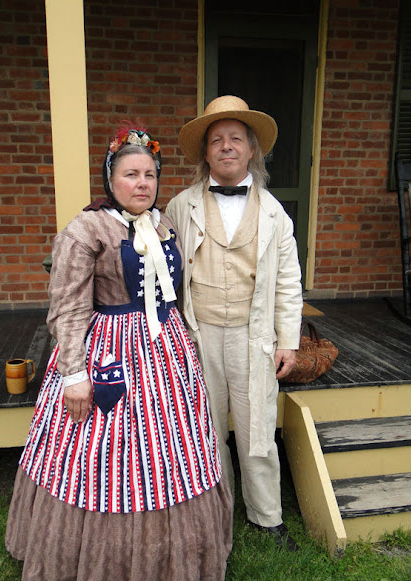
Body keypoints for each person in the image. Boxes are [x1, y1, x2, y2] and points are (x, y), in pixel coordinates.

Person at [5, 123, 233, 581]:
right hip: (109, 354)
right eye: (131, 174)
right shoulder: (87, 229)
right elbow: (67, 308)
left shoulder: (163, 224)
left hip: (166, 354)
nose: (142, 183)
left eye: (149, 174)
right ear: (111, 179)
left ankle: (173, 561)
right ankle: (103, 568)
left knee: (172, 460)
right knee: (107, 465)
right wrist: (73, 374)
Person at [166, 96, 303, 551]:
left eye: (236, 139)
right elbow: (164, 272)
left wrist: (288, 341)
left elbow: (288, 281)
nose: (226, 147)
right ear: (206, 154)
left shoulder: (274, 213)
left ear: (251, 150)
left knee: (257, 430)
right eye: (216, 140)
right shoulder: (180, 206)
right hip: (198, 334)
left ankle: (267, 517)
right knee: (203, 428)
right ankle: (214, 512)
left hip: (252, 336)